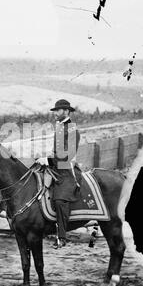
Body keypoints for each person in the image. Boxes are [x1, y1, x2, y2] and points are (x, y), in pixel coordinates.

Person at [36, 99, 81, 249]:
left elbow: (66, 156)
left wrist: (48, 159)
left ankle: (62, 237)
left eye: (58, 110)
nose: (55, 113)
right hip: (56, 167)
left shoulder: (72, 130)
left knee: (60, 200)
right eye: (55, 111)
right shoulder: (60, 127)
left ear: (67, 111)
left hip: (66, 169)